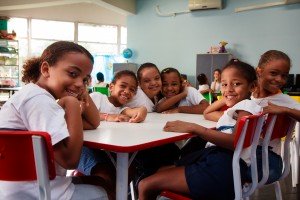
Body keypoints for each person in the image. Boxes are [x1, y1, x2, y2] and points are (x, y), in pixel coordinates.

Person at [138, 59, 279, 200]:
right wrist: (228, 95)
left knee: (145, 184)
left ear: (253, 86)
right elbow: (207, 113)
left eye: (236, 84)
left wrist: (196, 128)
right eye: (224, 84)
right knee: (158, 171)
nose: (228, 88)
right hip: (224, 165)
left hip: (221, 170)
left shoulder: (246, 108)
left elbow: (235, 141)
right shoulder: (243, 107)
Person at [0, 41, 108, 199]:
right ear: (45, 69)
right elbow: (70, 160)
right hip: (40, 193)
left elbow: (93, 123)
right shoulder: (40, 100)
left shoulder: (34, 95)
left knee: (103, 180)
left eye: (85, 79)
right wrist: (71, 104)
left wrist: (78, 90)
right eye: (73, 74)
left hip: (27, 188)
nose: (79, 83)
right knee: (106, 189)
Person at [252, 50, 300, 153]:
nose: (279, 79)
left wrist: (285, 110)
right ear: (259, 71)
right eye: (273, 73)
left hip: (268, 158)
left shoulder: (283, 99)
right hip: (244, 155)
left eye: (284, 76)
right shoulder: (249, 96)